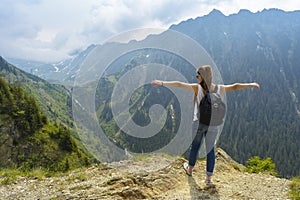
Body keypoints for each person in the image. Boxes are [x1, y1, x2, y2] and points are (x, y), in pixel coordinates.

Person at [151, 65, 260, 187]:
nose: (196, 77)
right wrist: (251, 84)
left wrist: (161, 83)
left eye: (197, 75)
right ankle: (208, 179)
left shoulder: (197, 88)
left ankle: (190, 169)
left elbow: (179, 84)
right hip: (213, 124)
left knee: (195, 146)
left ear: (202, 77)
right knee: (210, 150)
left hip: (198, 123)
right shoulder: (218, 88)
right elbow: (235, 86)